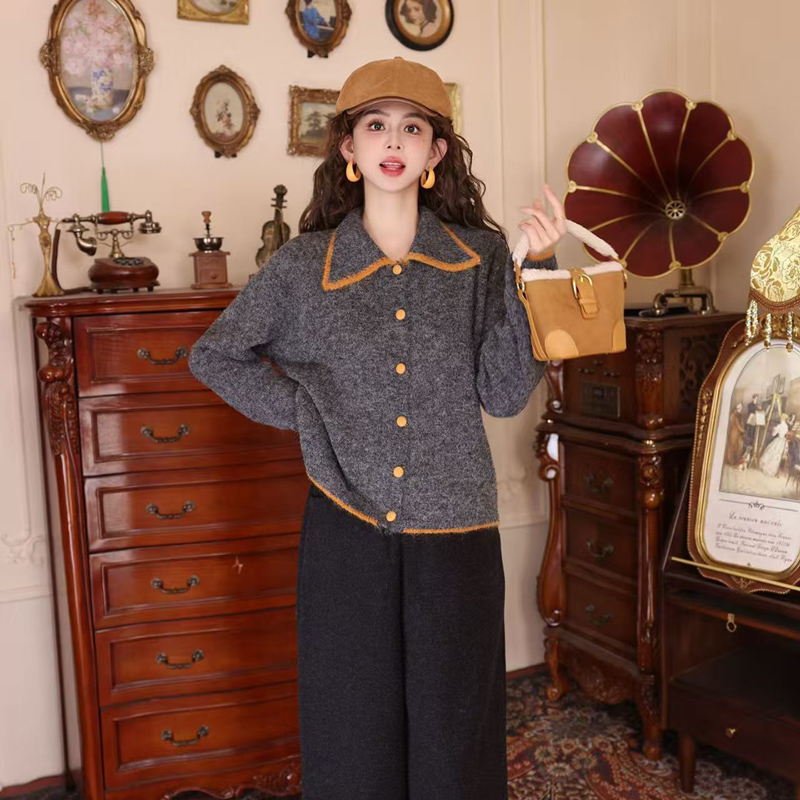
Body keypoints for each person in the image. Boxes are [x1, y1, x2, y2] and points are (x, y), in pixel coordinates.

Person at [188, 56, 564, 800]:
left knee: (457, 742)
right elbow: (215, 355)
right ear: (348, 147)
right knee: (351, 739)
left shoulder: (483, 258)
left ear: (436, 152)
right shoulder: (303, 268)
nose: (394, 141)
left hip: (456, 534)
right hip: (345, 533)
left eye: (413, 128)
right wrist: (307, 414)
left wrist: (542, 272)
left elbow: (501, 392)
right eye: (376, 125)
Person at [760, 412, 790, 478]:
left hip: (778, 440)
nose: (780, 419)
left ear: (782, 419)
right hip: (783, 442)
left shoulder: (779, 426)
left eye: (781, 418)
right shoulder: (786, 426)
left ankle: (769, 469)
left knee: (772, 452)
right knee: (776, 455)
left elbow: (773, 434)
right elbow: (785, 434)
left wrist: (774, 429)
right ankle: (775, 470)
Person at [725, 401, 745, 466]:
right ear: (737, 408)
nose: (741, 408)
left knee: (737, 447)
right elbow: (737, 424)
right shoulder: (734, 415)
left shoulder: (739, 414)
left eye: (741, 407)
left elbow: (741, 423)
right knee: (733, 446)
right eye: (740, 407)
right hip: (734, 432)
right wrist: (743, 430)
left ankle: (735, 461)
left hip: (737, 432)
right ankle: (731, 461)